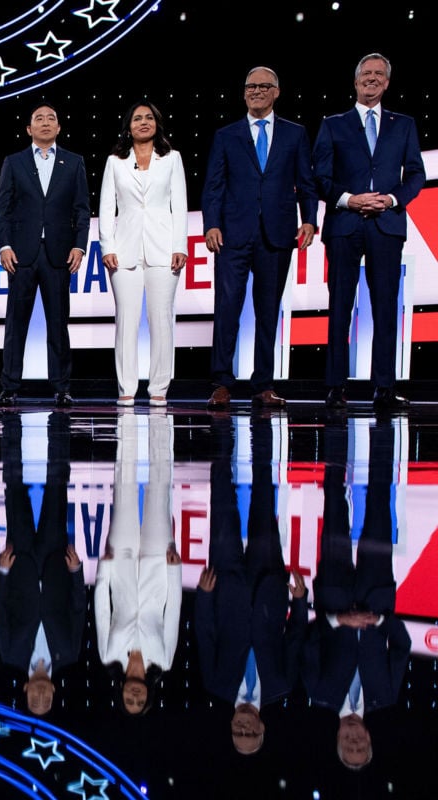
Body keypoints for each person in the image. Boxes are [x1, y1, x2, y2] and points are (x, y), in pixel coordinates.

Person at [202, 66, 318, 410]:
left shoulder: (295, 134)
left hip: (277, 234)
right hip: (233, 235)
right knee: (227, 309)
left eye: (264, 86)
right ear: (244, 93)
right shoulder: (226, 135)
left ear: (276, 92)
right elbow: (214, 185)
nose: (256, 91)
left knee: (268, 311)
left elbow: (306, 183)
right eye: (250, 86)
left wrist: (309, 220)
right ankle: (221, 383)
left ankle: (263, 385)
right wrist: (211, 224)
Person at [314, 53, 425, 410]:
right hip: (345, 225)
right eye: (366, 74)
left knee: (385, 309)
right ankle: (335, 388)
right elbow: (321, 177)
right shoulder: (334, 124)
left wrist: (392, 199)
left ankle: (385, 389)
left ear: (388, 82)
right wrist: (350, 199)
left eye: (379, 74)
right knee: (341, 306)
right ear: (356, 80)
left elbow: (417, 174)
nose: (372, 79)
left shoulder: (403, 124)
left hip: (386, 225)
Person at [196, 414, 308, 754]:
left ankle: (221, 426)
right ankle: (262, 426)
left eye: (237, 733)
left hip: (225, 587)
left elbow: (205, 633)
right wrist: (300, 600)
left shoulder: (216, 685)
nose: (243, 728)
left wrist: (203, 596)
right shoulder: (281, 686)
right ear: (262, 728)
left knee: (223, 501)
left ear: (231, 726)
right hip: (268, 584)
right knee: (263, 496)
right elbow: (296, 636)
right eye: (250, 734)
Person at [305, 418, 407, 770]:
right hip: (377, 592)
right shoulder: (387, 696)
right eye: (359, 745)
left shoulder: (319, 694)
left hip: (333, 592)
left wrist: (338, 620)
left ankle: (336, 430)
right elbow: (403, 645)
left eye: (347, 745)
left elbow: (308, 644)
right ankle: (383, 431)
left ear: (337, 739)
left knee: (334, 503)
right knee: (379, 503)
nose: (353, 740)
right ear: (368, 739)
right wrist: (379, 621)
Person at [0, 104, 91, 407]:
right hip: (22, 254)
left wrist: (79, 245)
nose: (46, 123)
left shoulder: (74, 163)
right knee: (16, 323)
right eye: (39, 118)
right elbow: (4, 209)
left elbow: (82, 210)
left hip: (59, 255)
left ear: (59, 128)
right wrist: (5, 245)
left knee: (58, 323)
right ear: (29, 129)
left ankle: (62, 387)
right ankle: (9, 386)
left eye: (52, 118)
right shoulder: (14, 162)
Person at [0, 413, 85, 716]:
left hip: (19, 563)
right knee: (57, 488)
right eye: (46, 701)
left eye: (35, 701)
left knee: (14, 487)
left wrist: (3, 571)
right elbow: (77, 609)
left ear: (25, 690)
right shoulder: (69, 654)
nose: (41, 697)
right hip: (55, 562)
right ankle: (60, 423)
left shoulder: (11, 655)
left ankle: (11, 423)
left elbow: (1, 609)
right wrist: (76, 573)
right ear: (54, 692)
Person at [98, 102, 187, 406]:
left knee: (161, 318)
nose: (144, 122)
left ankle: (159, 388)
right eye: (138, 118)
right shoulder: (115, 161)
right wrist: (106, 246)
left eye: (149, 118)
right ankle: (126, 387)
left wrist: (180, 246)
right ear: (129, 126)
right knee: (126, 319)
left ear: (157, 124)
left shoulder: (172, 159)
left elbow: (180, 205)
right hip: (124, 251)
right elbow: (107, 207)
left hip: (164, 248)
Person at [95, 412, 181, 715]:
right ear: (148, 695)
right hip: (158, 570)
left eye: (128, 701)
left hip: (120, 566)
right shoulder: (164, 660)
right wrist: (174, 571)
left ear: (121, 693)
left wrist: (103, 570)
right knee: (159, 491)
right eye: (139, 701)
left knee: (125, 489)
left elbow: (102, 609)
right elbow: (173, 613)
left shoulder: (109, 655)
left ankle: (126, 416)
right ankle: (160, 419)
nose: (134, 696)